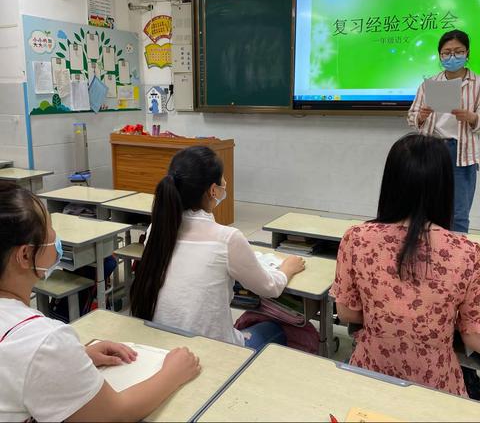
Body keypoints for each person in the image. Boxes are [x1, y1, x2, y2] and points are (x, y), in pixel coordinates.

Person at [0, 182, 200, 422]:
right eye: (50, 228)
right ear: (25, 255)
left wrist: (74, 359)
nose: (55, 236)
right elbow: (114, 413)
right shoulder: (43, 341)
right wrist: (173, 373)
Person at [330, 134, 480, 397]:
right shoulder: (468, 253)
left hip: (369, 376)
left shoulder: (356, 238)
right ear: (446, 187)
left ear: (391, 183)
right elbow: (473, 338)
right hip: (435, 387)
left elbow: (347, 314)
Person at [130, 146, 305, 351]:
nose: (225, 184)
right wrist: (288, 268)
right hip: (213, 353)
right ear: (213, 190)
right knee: (273, 328)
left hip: (160, 345)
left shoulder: (157, 229)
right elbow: (269, 288)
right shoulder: (227, 238)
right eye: (222, 179)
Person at [407, 29, 480, 233]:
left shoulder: (478, 84)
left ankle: (455, 260)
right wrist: (421, 116)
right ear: (440, 55)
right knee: (426, 206)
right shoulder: (429, 83)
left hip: (462, 152)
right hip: (431, 149)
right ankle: (427, 255)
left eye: (458, 51)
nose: (452, 57)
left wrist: (473, 117)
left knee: (458, 212)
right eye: (446, 53)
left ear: (467, 53)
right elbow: (412, 117)